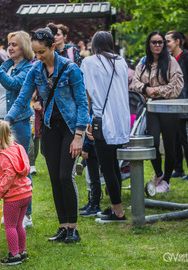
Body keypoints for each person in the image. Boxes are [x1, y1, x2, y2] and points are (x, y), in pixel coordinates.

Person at [5, 27, 88, 242]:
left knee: (65, 176)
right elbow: (22, 98)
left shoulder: (71, 69)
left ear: (53, 46)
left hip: (71, 129)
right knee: (54, 178)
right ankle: (62, 226)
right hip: (50, 128)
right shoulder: (35, 70)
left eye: (42, 52)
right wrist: (7, 121)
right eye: (35, 52)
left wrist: (79, 135)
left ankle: (73, 228)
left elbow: (82, 103)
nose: (38, 57)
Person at [0, 31, 35, 228]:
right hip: (0, 121)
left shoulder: (28, 68)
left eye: (15, 45)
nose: (10, 48)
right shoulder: (8, 65)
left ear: (24, 48)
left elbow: (13, 85)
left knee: (20, 166)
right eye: (9, 44)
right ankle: (10, 209)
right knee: (4, 167)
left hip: (17, 122)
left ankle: (26, 215)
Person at [80, 31, 130, 223]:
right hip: (121, 119)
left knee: (106, 166)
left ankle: (118, 212)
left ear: (94, 44)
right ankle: (114, 206)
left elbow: (86, 94)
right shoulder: (121, 61)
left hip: (101, 120)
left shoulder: (90, 62)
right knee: (113, 166)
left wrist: (87, 121)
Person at [132, 31, 184, 193]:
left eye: (160, 42)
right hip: (151, 108)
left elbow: (177, 85)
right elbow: (135, 82)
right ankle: (159, 173)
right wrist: (146, 88)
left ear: (164, 44)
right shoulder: (143, 62)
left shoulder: (171, 62)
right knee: (152, 141)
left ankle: (166, 180)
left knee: (169, 144)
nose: (157, 45)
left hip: (168, 107)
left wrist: (157, 91)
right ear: (149, 44)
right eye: (154, 42)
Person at [0, 120, 32, 265]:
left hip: (14, 197)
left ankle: (14, 254)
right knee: (19, 225)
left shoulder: (4, 156)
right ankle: (22, 251)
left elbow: (9, 175)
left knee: (10, 226)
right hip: (26, 193)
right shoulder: (18, 148)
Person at [165, 31, 188, 181]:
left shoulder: (187, 57)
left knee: (185, 137)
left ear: (178, 41)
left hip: (185, 104)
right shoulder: (170, 59)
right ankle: (178, 169)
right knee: (175, 138)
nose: (166, 45)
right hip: (172, 104)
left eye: (168, 41)